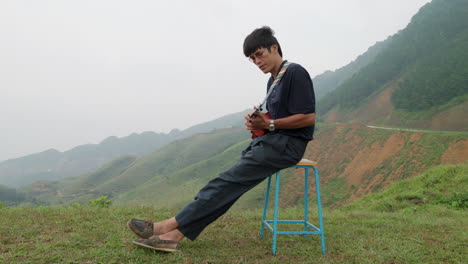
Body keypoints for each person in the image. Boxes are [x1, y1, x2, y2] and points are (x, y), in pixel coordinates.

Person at [127, 26, 316, 252]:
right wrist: (259, 124)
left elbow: (308, 117)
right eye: (252, 58)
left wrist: (270, 124)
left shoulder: (295, 72)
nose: (256, 61)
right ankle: (174, 236)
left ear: (274, 48)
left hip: (288, 146)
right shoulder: (273, 81)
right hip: (271, 143)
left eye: (259, 54)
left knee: (225, 183)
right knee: (228, 187)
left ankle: (164, 226)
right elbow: (275, 120)